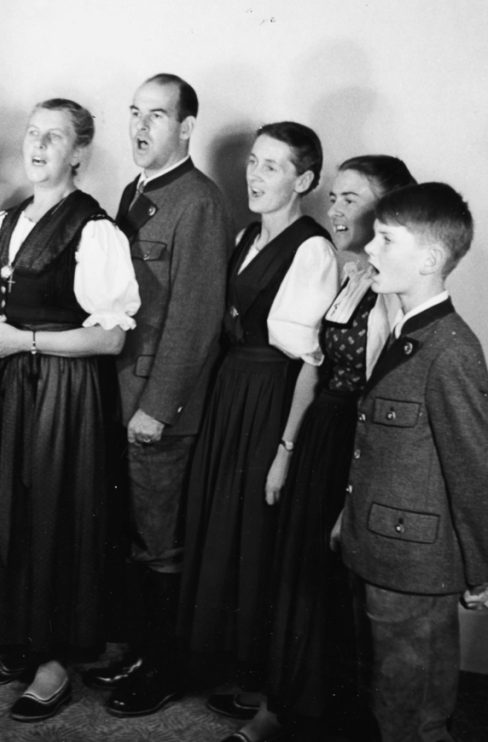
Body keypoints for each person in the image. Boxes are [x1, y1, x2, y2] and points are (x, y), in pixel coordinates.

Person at [0, 98, 139, 723]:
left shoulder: (94, 229)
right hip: (4, 383)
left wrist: (22, 341)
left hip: (62, 389)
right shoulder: (3, 224)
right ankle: (16, 641)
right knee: (6, 505)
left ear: (78, 153)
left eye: (54, 137)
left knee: (55, 513)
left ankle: (55, 660)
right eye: (33, 133)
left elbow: (111, 337)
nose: (38, 146)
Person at [229, 156, 416, 742]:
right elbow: (313, 367)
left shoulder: (396, 293)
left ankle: (325, 717)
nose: (334, 211)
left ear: (387, 211)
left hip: (362, 445)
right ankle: (283, 708)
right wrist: (286, 449)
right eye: (332, 198)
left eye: (351, 200)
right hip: (320, 436)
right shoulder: (343, 273)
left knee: (340, 588)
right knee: (300, 573)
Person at [176, 122, 339, 729]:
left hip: (273, 395)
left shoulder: (313, 249)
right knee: (224, 520)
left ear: (303, 180)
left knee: (257, 530)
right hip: (231, 391)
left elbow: (308, 364)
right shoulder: (246, 235)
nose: (254, 175)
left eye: (272, 167)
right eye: (252, 162)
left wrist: (284, 448)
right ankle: (229, 665)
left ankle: (259, 677)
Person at [81, 73, 233, 718]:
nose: (141, 128)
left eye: (158, 116)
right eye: (135, 113)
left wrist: (157, 407)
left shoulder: (198, 202)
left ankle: (164, 669)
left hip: (157, 407)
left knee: (160, 541)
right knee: (133, 533)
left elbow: (196, 321)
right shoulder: (135, 192)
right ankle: (141, 650)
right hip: (119, 393)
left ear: (187, 128)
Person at [340, 182, 488, 742]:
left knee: (414, 712)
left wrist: (482, 568)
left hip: (417, 566)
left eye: (384, 239)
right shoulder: (406, 334)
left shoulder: (451, 349)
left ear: (428, 259)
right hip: (379, 549)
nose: (369, 251)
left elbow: (473, 469)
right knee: (385, 696)